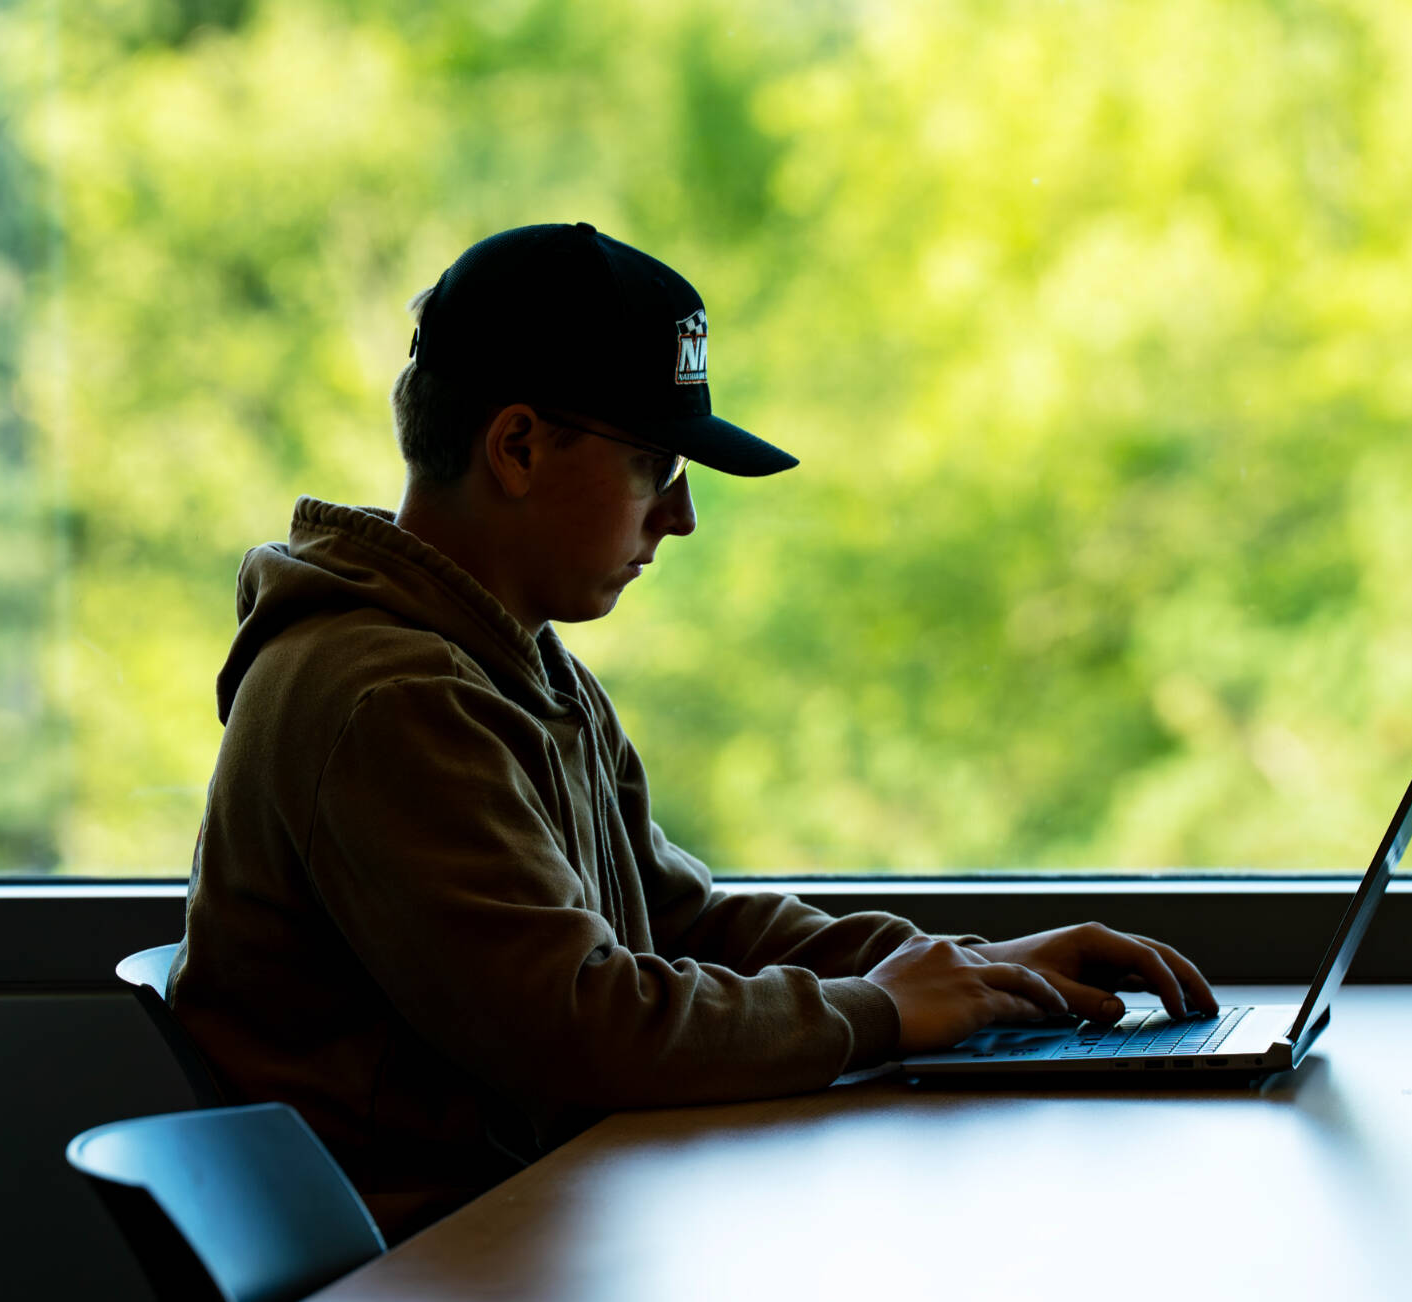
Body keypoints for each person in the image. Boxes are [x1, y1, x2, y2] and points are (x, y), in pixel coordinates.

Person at [173, 222, 1217, 1240]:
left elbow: (683, 923)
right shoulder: (387, 696)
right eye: (653, 467)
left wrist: (968, 973)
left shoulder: (518, 669)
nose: (679, 517)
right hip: (449, 1256)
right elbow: (583, 1024)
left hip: (543, 1218)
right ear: (518, 446)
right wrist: (881, 1010)